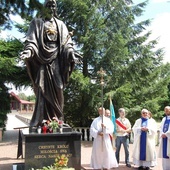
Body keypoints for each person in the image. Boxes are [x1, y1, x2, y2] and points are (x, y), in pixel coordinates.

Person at [20, 0, 79, 129]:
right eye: (48, 5)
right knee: (42, 89)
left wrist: (71, 54)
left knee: (59, 88)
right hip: (42, 61)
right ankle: (43, 121)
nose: (51, 8)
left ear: (55, 8)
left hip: (57, 61)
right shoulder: (36, 22)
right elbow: (32, 41)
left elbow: (67, 45)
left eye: (53, 6)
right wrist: (28, 52)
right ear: (44, 8)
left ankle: (58, 120)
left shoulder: (61, 25)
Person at [158, 106, 170, 170]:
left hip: (169, 139)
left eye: (167, 110)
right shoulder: (163, 119)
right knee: (164, 154)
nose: (166, 111)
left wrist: (167, 134)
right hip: (164, 139)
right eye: (165, 110)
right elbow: (160, 127)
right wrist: (162, 133)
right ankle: (165, 168)